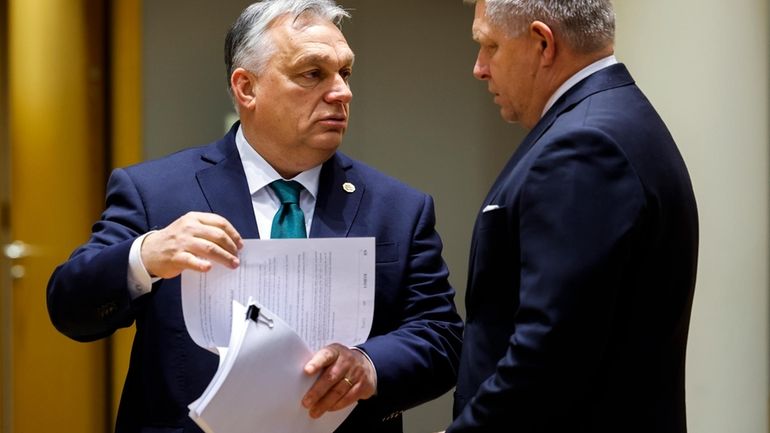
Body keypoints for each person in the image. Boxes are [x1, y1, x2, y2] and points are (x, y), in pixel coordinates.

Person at [46, 1, 463, 432]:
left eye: (345, 73)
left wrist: (368, 365)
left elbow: (442, 337)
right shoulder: (156, 193)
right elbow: (69, 306)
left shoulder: (398, 208)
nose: (342, 92)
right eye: (313, 73)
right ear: (246, 88)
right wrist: (145, 257)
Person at [446, 1, 698, 432]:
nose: (479, 68)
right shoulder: (617, 116)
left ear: (543, 43)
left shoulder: (583, 145)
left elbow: (550, 355)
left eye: (489, 45)